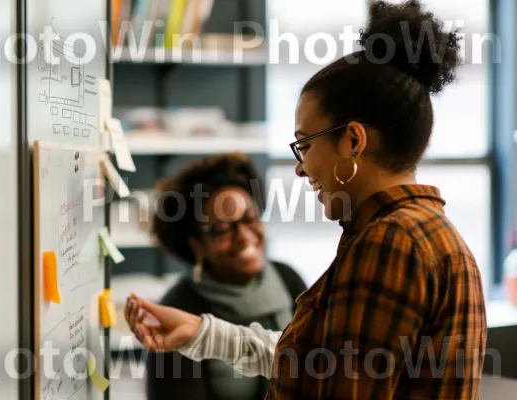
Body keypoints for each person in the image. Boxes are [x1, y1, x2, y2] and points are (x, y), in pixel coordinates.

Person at [125, 1, 487, 399]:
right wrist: (202, 333)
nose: (300, 168)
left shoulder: (392, 243)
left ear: (352, 140)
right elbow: (315, 363)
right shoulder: (422, 233)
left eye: (305, 144)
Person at [145, 153, 307, 400]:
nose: (243, 236)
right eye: (222, 229)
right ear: (197, 244)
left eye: (250, 218)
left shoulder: (288, 279)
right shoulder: (178, 311)